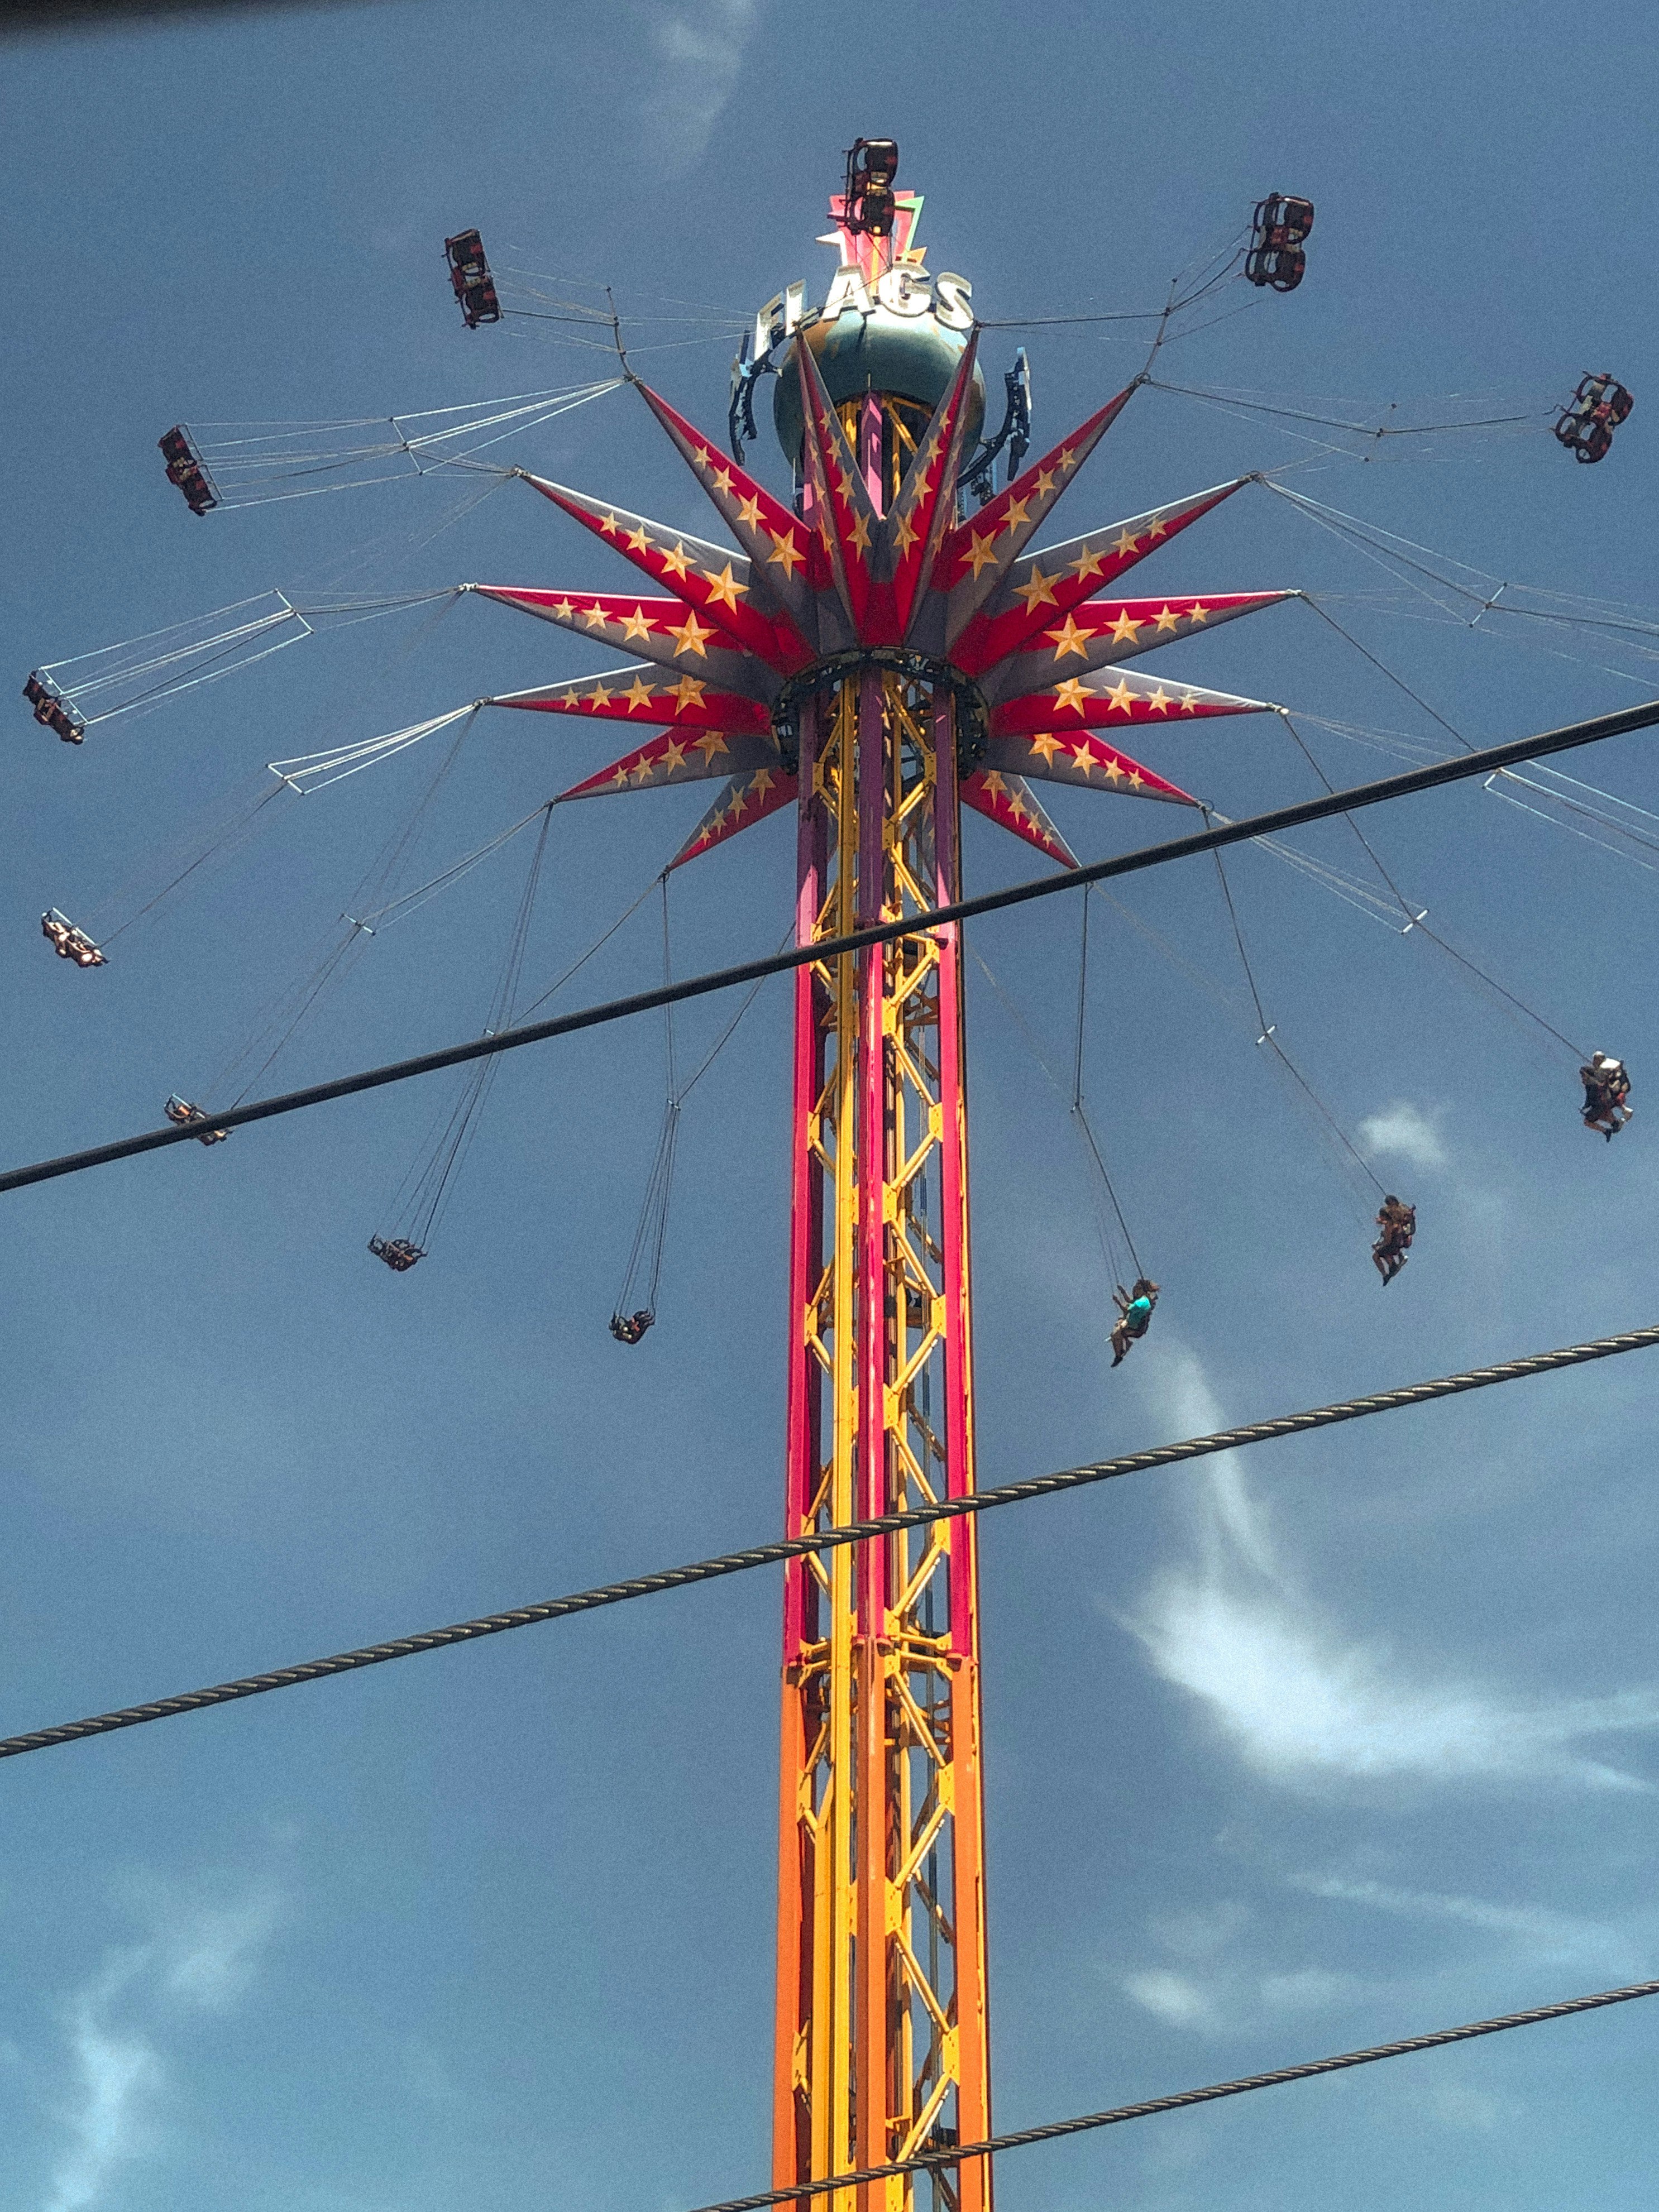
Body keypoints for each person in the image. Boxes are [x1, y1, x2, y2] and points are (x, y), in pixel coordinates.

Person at [1580, 1052, 1632, 1141]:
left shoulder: (1596, 1082)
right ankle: (1615, 1122)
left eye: (1583, 1077)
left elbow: (1598, 1092)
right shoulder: (1608, 1067)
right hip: (1609, 1100)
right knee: (1601, 1113)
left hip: (1606, 1101)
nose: (1582, 1080)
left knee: (1589, 1120)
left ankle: (1609, 1127)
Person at [1110, 1278, 1159, 1366]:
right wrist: (1122, 1291)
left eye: (1138, 1288)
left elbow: (1126, 1309)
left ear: (1144, 1291)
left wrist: (1117, 1301)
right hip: (1134, 1325)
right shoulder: (1140, 1300)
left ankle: (1120, 1353)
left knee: (1117, 1335)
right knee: (1116, 1334)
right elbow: (1129, 1300)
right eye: (1135, 1288)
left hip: (1137, 1329)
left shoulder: (1142, 1302)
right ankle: (1123, 1347)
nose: (1135, 1290)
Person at [1373, 1195, 1416, 1285]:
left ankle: (1391, 1268)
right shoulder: (1393, 1222)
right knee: (1384, 1251)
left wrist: (1379, 1245)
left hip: (1398, 1242)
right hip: (1398, 1240)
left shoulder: (1391, 1224)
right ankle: (1395, 1263)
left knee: (1378, 1255)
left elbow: (1388, 1241)